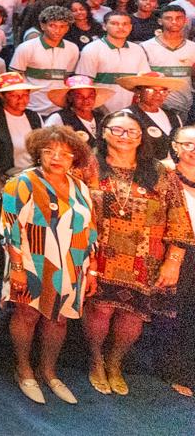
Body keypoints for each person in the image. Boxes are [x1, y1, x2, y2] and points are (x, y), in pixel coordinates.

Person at [83, 109, 193, 396]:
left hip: (146, 260)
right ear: (104, 133)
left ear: (141, 137)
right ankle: (96, 360)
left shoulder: (160, 172)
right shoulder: (87, 167)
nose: (125, 137)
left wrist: (173, 262)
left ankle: (115, 363)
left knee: (132, 318)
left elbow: (180, 220)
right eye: (117, 130)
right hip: (99, 255)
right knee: (100, 310)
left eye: (132, 131)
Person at [0, 126, 98, 404]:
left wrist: (91, 270)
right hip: (31, 261)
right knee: (27, 316)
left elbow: (90, 229)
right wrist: (17, 268)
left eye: (65, 154)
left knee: (59, 319)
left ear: (74, 158)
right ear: (37, 153)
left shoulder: (80, 187)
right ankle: (23, 369)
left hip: (72, 264)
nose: (57, 158)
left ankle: (49, 371)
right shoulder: (22, 182)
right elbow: (9, 228)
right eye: (49, 151)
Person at [158, 125, 195, 396]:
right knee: (179, 313)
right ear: (175, 146)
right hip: (175, 251)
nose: (193, 150)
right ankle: (176, 370)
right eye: (187, 144)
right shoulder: (164, 174)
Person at [0, 72, 45, 191]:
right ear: (2, 96)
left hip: (33, 177)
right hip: (5, 178)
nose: (21, 99)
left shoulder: (35, 117)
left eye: (25, 95)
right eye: (14, 95)